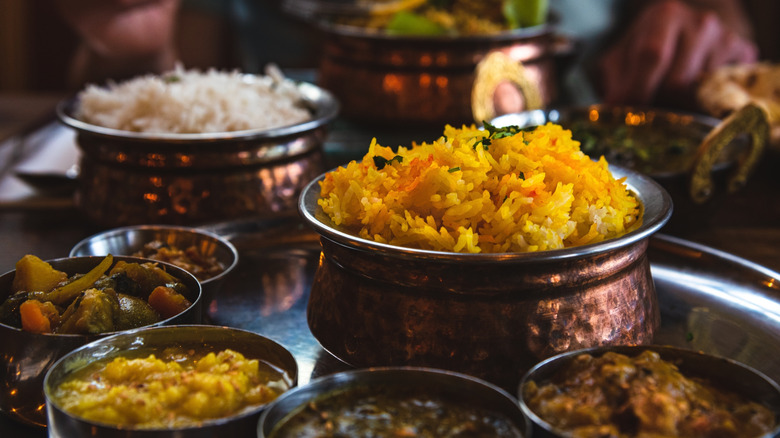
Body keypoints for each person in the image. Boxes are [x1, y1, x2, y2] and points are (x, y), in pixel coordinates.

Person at [55, 0, 759, 110]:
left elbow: (721, 24)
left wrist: (709, 20)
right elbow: (172, 79)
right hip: (304, 221)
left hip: (602, 183)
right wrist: (136, 45)